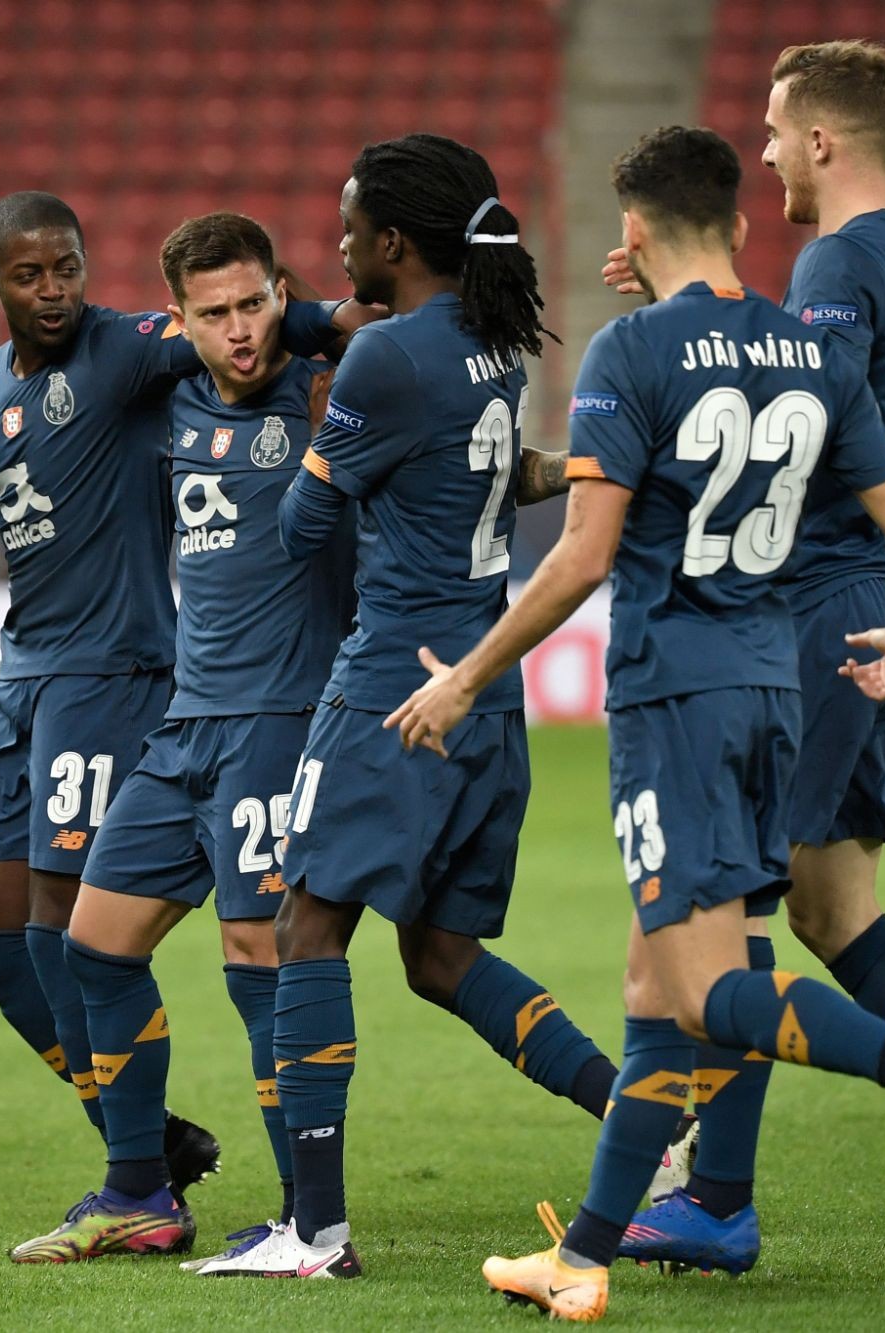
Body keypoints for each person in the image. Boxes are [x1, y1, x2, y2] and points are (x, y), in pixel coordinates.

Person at [391, 126, 885, 1323]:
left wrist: (465, 676)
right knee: (652, 984)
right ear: (736, 220)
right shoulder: (810, 349)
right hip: (776, 689)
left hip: (672, 697)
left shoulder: (630, 349)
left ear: (630, 230)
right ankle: (586, 1255)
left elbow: (582, 557)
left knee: (708, 989)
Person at [604, 41, 885, 1284]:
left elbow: (789, 424)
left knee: (739, 905)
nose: (761, 154)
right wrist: (683, 290)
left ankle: (720, 1198)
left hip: (811, 603)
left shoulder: (832, 264)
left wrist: (678, 325)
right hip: (878, 602)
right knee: (830, 908)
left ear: (818, 139)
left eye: (770, 131)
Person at [194, 134, 622, 1281]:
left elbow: (302, 531)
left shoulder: (383, 358)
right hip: (482, 686)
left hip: (391, 684)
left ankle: (313, 1234)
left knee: (304, 927)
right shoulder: (494, 339)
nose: (337, 246)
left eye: (348, 228)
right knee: (437, 955)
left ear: (390, 240)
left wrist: (319, 435)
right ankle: (646, 1124)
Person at [0, 191, 364, 1253]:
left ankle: (235, 1194)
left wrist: (344, 318)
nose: (53, 289)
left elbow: (254, 318)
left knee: (108, 934)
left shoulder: (125, 354)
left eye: (67, 267)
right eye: (30, 274)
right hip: (29, 675)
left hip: (124, 673)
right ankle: (145, 1152)